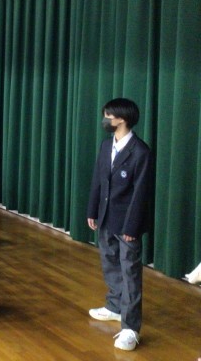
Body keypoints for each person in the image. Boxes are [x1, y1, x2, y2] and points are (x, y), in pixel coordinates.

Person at [87, 98, 154, 352]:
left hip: (127, 225)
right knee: (110, 262)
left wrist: (131, 228)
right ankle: (115, 305)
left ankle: (131, 328)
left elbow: (141, 193)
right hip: (106, 218)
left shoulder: (141, 152)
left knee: (130, 273)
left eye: (108, 115)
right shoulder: (106, 146)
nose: (105, 120)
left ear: (122, 119)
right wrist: (92, 210)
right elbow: (98, 180)